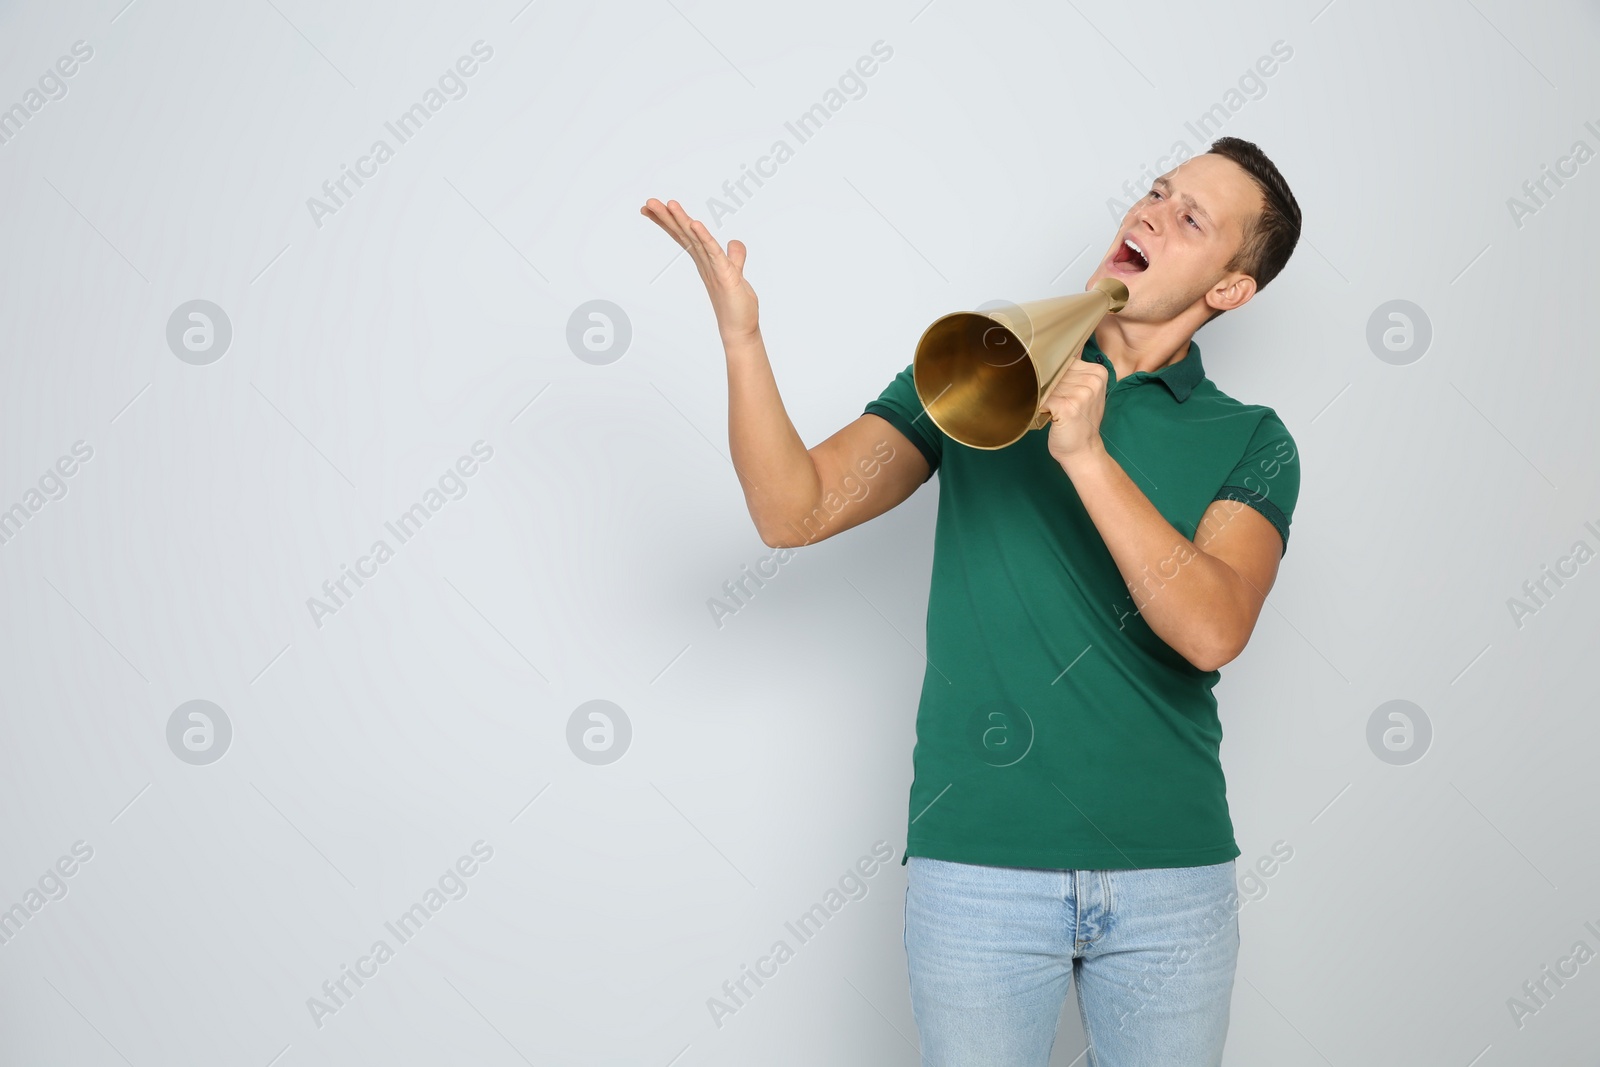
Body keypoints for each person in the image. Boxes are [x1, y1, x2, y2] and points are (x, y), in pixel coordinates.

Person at [642, 134, 1303, 1066]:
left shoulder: (1253, 438)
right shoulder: (980, 372)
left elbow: (1210, 629)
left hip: (1171, 880)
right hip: (978, 872)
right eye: (1155, 191)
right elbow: (794, 511)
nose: (1149, 212)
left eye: (1190, 217)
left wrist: (1086, 453)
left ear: (1229, 289)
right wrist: (743, 340)